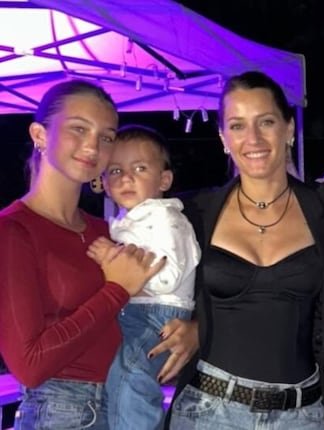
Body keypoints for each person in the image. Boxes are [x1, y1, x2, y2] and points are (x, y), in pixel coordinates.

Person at [164, 70, 324, 430]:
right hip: (209, 412)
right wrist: (197, 327)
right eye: (237, 126)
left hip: (301, 415)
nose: (252, 138)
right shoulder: (195, 214)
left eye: (266, 122)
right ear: (223, 137)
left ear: (289, 129)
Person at [0, 80, 164, 429]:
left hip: (126, 403)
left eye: (106, 137)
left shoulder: (105, 230)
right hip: (62, 412)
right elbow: (28, 365)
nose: (93, 146)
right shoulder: (13, 231)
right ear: (40, 135)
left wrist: (189, 331)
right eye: (79, 128)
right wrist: (116, 290)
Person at [87, 125, 201, 430]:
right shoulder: (126, 221)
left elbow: (168, 277)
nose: (126, 178)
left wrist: (115, 262)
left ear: (164, 180)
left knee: (131, 377)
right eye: (115, 171)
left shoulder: (166, 219)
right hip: (135, 312)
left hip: (159, 315)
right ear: (104, 183)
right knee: (116, 384)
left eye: (139, 168)